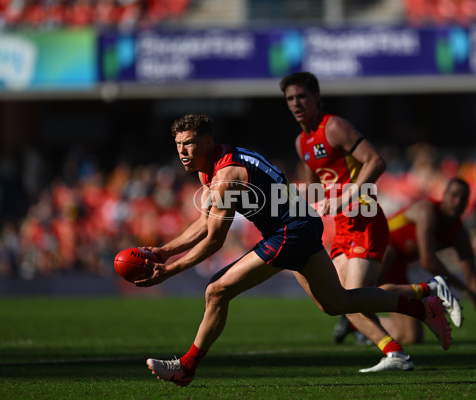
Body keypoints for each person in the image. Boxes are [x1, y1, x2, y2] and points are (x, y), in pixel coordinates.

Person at [138, 113, 452, 386]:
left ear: (208, 142)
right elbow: (204, 223)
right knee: (337, 301)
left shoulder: (226, 175)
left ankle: (186, 367)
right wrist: (165, 251)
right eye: (179, 144)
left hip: (288, 232)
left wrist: (170, 271)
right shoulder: (211, 166)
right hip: (301, 225)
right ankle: (424, 307)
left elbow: (214, 240)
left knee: (216, 290)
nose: (182, 151)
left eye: (189, 143)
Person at [279, 72, 457, 373]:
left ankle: (397, 350)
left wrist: (348, 195)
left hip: (364, 218)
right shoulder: (301, 142)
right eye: (290, 99)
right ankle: (423, 298)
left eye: (302, 97)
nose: (296, 103)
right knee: (332, 301)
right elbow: (316, 187)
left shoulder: (334, 127)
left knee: (350, 299)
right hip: (342, 226)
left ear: (317, 97)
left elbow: (376, 161)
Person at [377, 178, 476, 346]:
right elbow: (428, 261)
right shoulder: (426, 211)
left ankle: (356, 322)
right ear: (444, 195)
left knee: (412, 338)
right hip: (375, 253)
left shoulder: (458, 234)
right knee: (387, 254)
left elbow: (473, 277)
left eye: (463, 199)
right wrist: (462, 288)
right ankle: (354, 307)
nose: (457, 202)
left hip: (397, 267)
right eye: (454, 196)